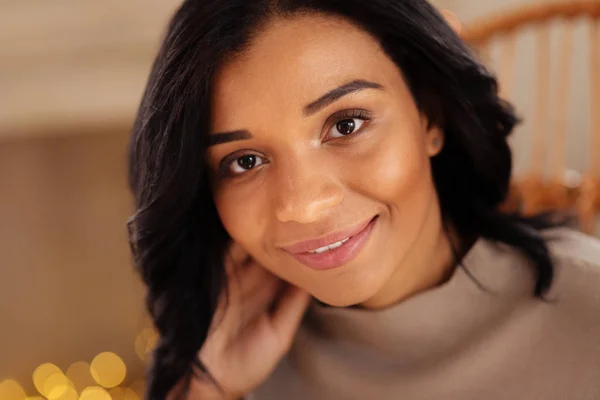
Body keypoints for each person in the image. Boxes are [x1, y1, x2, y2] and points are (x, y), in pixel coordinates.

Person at [126, 0, 600, 399]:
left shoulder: (589, 319)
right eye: (245, 161)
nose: (303, 205)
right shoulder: (232, 360)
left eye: (346, 125)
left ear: (429, 117)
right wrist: (208, 392)